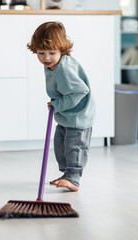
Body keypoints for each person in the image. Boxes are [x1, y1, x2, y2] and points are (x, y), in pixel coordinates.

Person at [27, 22, 95, 192]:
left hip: (78, 115)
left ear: (62, 50)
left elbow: (80, 91)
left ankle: (73, 178)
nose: (46, 58)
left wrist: (58, 105)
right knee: (60, 144)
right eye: (41, 53)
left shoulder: (63, 68)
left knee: (74, 147)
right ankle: (67, 175)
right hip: (66, 114)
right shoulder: (52, 65)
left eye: (52, 53)